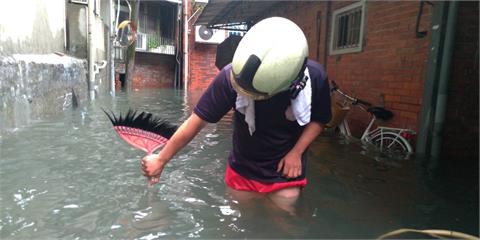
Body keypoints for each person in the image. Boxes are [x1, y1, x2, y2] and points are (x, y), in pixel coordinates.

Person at [142, 17, 331, 214]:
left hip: (286, 170)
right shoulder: (232, 76)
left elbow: (320, 118)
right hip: (243, 169)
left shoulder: (314, 77)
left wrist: (297, 153)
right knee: (241, 220)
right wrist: (161, 160)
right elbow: (196, 122)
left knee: (284, 220)